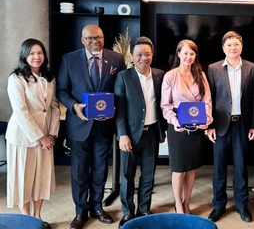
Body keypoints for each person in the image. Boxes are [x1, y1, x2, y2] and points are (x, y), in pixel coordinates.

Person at [57, 24, 125, 229]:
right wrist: (73, 106)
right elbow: (61, 90)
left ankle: (97, 207)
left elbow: (121, 89)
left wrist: (115, 107)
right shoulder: (69, 59)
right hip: (80, 125)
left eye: (99, 37)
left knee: (100, 169)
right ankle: (80, 212)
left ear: (104, 38)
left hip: (104, 126)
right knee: (79, 171)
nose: (95, 41)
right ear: (82, 40)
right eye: (90, 38)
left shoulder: (116, 59)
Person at [206, 31, 254, 223]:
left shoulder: (252, 68)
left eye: (236, 44)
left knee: (241, 168)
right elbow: (209, 98)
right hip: (220, 126)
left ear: (241, 47)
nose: (233, 48)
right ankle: (218, 206)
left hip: (242, 125)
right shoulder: (213, 69)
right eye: (229, 45)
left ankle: (242, 205)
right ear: (223, 48)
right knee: (219, 168)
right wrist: (209, 125)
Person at [6, 38, 60, 229]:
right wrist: (40, 137)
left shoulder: (49, 77)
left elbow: (53, 107)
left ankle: (37, 219)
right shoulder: (16, 78)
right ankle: (26, 220)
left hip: (47, 136)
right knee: (24, 179)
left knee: (41, 179)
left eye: (40, 53)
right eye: (32, 53)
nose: (36, 57)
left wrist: (52, 134)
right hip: (24, 137)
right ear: (24, 56)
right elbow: (21, 111)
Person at [114, 37, 167, 228]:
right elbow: (119, 109)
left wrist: (164, 130)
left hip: (152, 133)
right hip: (129, 134)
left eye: (147, 54)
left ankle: (144, 209)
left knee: (148, 174)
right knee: (127, 175)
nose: (143, 58)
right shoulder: (123, 77)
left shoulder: (160, 75)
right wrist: (122, 135)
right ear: (132, 56)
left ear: (152, 55)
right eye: (139, 54)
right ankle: (128, 212)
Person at [161, 39, 212, 214]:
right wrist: (175, 122)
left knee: (191, 168)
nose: (188, 57)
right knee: (178, 169)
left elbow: (207, 101)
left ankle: (187, 201)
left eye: (192, 53)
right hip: (177, 127)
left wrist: (206, 119)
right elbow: (165, 106)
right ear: (179, 54)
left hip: (196, 127)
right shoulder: (170, 76)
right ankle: (178, 204)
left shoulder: (200, 74)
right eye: (185, 53)